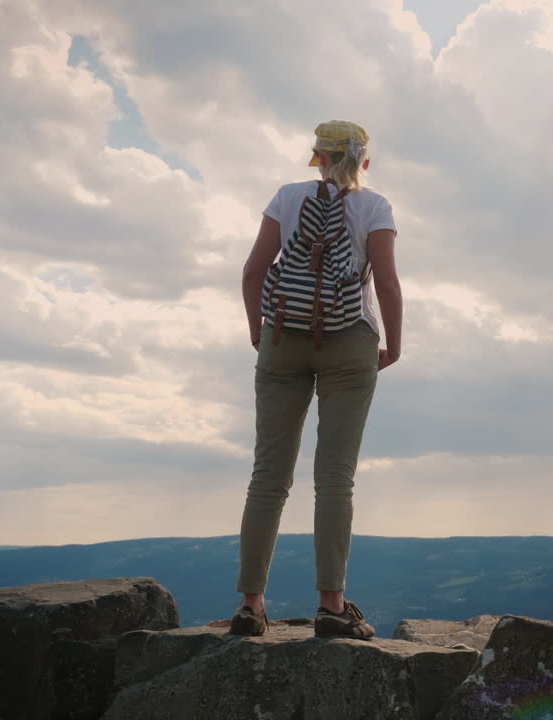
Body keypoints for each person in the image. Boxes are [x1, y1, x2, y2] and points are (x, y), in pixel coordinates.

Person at [229, 120, 402, 639]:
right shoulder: (375, 206)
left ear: (317, 157)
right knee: (334, 477)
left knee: (268, 477)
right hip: (350, 339)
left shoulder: (286, 197)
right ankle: (331, 606)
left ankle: (250, 606)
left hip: (282, 337)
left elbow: (253, 271)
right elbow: (388, 285)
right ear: (363, 162)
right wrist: (392, 344)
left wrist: (259, 332)